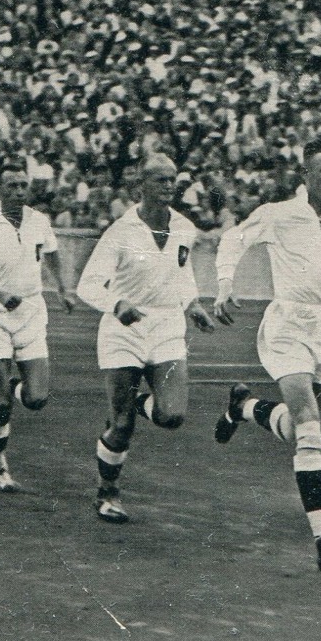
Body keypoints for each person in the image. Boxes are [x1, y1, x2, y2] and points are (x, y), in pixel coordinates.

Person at [211, 136, 321, 573]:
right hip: (290, 326)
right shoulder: (279, 214)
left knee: (300, 428)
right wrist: (226, 284)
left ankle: (244, 408)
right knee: (309, 427)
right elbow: (233, 240)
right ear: (306, 175)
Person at [76, 154, 216, 523]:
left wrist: (193, 304)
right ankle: (107, 492)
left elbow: (182, 274)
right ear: (142, 186)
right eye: (160, 180)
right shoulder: (121, 232)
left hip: (168, 327)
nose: (169, 186)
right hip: (124, 329)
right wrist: (116, 302)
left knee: (172, 416)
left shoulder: (185, 227)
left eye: (173, 180)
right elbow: (87, 285)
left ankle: (140, 401)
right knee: (121, 426)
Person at [0, 162, 77, 493]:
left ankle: (9, 385)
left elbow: (51, 253)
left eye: (23, 185)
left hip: (32, 312)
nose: (20, 191)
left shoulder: (39, 221)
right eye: (12, 186)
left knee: (36, 399)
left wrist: (63, 288)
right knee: (2, 405)